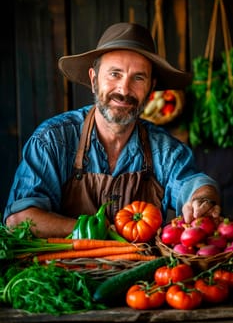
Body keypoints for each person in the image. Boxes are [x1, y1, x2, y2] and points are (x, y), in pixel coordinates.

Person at [4, 22, 221, 238]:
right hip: (64, 271)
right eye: (114, 74)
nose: (124, 90)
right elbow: (20, 219)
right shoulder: (53, 140)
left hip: (141, 272)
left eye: (138, 77)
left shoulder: (165, 150)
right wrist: (100, 233)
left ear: (151, 88)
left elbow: (194, 184)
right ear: (93, 79)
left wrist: (202, 200)